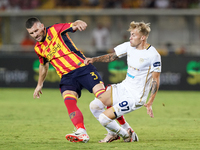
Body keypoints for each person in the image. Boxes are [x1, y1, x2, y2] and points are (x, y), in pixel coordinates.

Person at [25, 17, 129, 143]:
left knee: (104, 99)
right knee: (69, 102)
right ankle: (81, 132)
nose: (35, 35)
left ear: (41, 26)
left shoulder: (55, 29)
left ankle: (125, 127)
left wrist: (79, 22)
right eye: (31, 33)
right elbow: (43, 65)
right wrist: (39, 84)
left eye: (36, 30)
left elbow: (73, 25)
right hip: (66, 77)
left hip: (83, 68)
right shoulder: (38, 48)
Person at [84, 21, 161, 142]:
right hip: (123, 87)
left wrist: (150, 102)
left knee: (104, 119)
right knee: (94, 106)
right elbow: (112, 56)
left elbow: (155, 79)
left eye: (133, 35)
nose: (130, 37)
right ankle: (115, 133)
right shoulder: (129, 46)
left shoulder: (153, 55)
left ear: (142, 38)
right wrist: (94, 59)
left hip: (135, 96)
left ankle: (125, 135)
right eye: (130, 34)